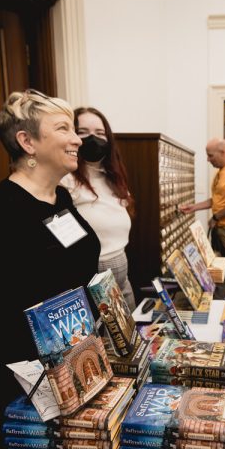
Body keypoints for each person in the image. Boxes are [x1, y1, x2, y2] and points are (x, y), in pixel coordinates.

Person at [0, 89, 101, 449]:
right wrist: (2, 313)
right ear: (27, 142)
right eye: (63, 128)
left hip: (69, 353)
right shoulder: (4, 208)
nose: (77, 139)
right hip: (24, 369)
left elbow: (64, 267)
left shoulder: (59, 197)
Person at [61, 106, 136, 310]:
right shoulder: (65, 180)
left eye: (100, 133)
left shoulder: (112, 177)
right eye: (83, 132)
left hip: (121, 277)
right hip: (91, 278)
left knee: (132, 329)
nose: (93, 139)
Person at [179, 139, 225, 271]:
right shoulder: (220, 172)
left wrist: (215, 217)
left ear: (222, 152)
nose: (208, 159)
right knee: (223, 264)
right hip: (221, 226)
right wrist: (193, 207)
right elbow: (217, 200)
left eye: (210, 155)